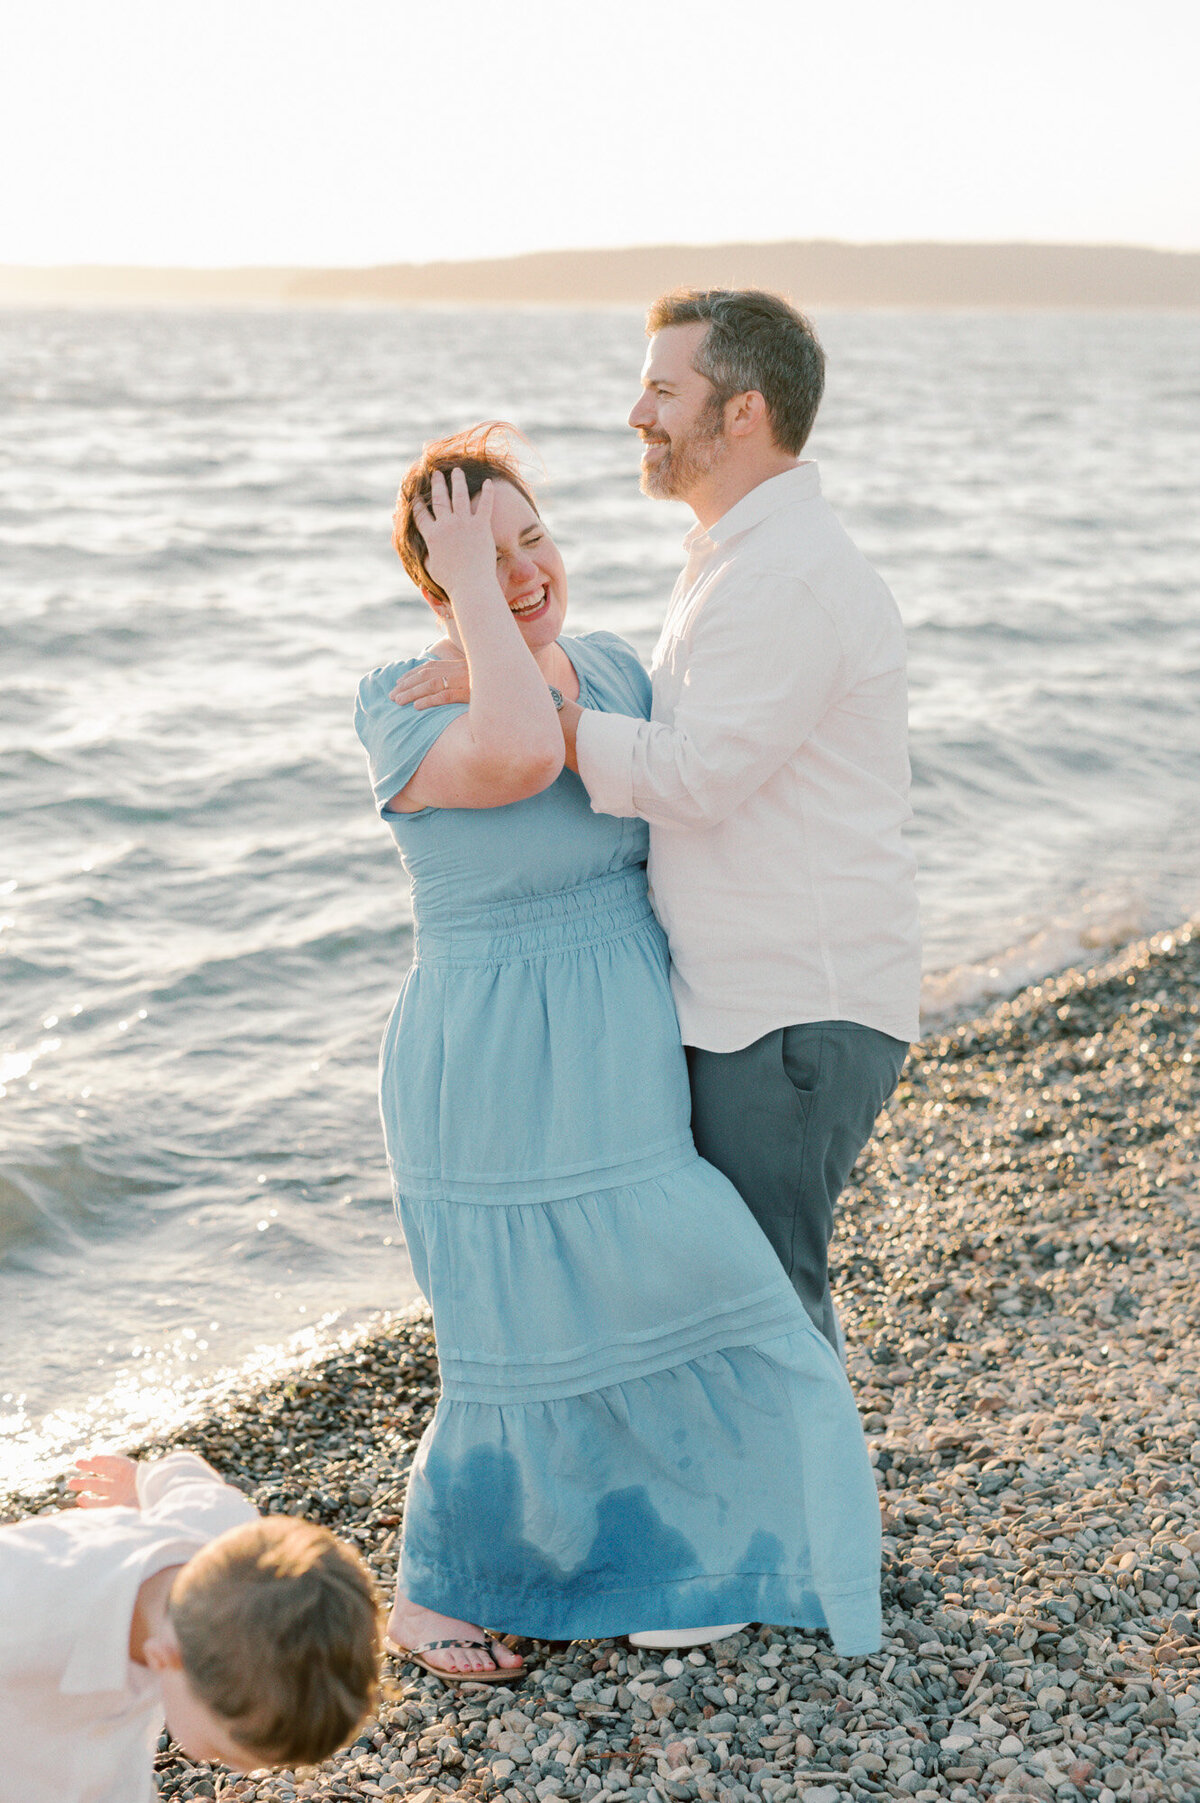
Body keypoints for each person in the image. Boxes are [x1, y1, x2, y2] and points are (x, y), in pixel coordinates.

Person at [354, 424, 884, 1681]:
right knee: (511, 1334)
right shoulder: (394, 701)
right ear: (438, 580)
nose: (527, 568)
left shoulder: (609, 671)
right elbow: (528, 756)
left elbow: (706, 787)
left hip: (620, 1043)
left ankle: (686, 1549)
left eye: (534, 535)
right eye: (487, 556)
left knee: (698, 1294)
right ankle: (439, 1593)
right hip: (484, 1060)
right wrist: (483, 607)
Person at [398, 291, 920, 1354]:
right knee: (741, 1296)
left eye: (664, 388)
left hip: (788, 1013)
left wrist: (536, 695)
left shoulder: (784, 576)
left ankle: (807, 1518)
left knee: (763, 1306)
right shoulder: (741, 560)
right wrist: (502, 653)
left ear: (742, 414)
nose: (638, 411)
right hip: (755, 1006)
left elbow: (693, 778)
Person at [0, 1447, 381, 1803]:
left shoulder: (224, 1534)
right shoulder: (31, 1612)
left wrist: (139, 1481)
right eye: (221, 1751)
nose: (236, 1769)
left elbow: (185, 1474)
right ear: (164, 1656)